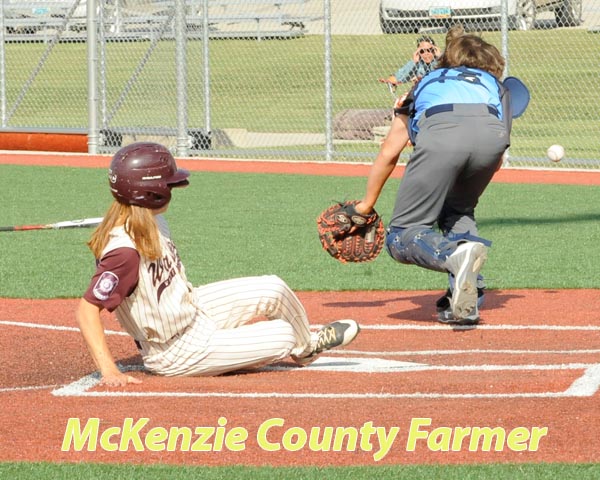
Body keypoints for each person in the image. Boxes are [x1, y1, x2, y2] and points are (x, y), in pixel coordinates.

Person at [76, 142, 360, 386]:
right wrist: (109, 370)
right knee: (283, 335)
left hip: (193, 309)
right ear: (151, 192)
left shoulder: (150, 219)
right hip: (175, 349)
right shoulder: (124, 253)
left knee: (273, 287)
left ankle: (306, 349)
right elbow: (87, 311)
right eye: (168, 183)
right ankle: (258, 346)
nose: (173, 187)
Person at [357, 25, 512, 325]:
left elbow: (390, 152)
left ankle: (451, 256)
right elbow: (500, 148)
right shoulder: (497, 86)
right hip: (491, 141)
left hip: (442, 133)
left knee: (403, 233)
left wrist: (365, 204)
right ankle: (467, 297)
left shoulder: (425, 80)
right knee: (459, 209)